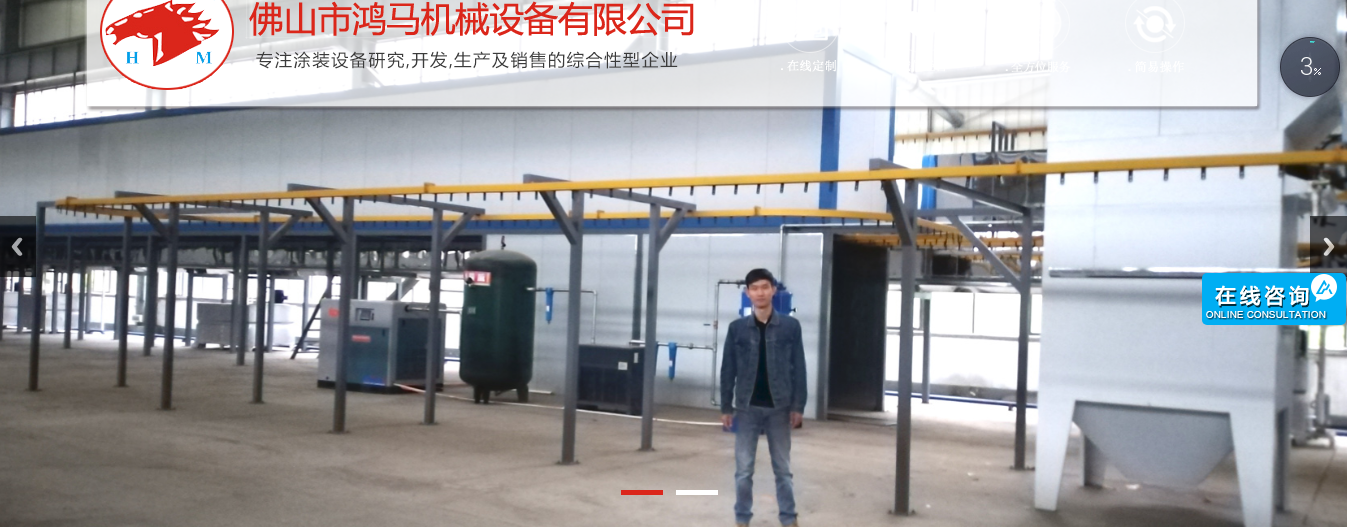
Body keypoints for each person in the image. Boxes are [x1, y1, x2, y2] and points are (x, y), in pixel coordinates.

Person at [719, 268, 806, 527]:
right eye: (754, 288)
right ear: (747, 293)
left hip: (780, 408)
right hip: (747, 408)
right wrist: (726, 407)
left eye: (765, 287)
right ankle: (742, 519)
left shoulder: (790, 327)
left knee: (783, 470)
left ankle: (788, 518)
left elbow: (799, 367)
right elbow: (728, 369)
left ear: (773, 290)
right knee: (744, 470)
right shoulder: (737, 329)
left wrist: (798, 405)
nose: (760, 293)